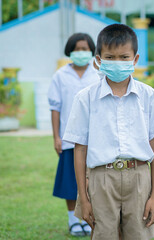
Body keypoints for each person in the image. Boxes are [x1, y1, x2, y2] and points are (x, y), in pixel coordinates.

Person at [63, 23, 154, 240]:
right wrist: (83, 198)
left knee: (139, 235)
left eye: (124, 57)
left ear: (135, 59)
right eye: (110, 57)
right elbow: (80, 149)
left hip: (139, 177)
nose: (117, 62)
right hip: (101, 178)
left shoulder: (149, 96)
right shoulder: (86, 98)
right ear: (98, 61)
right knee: (104, 235)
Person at [48, 32, 98, 236]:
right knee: (71, 181)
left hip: (96, 139)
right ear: (70, 50)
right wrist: (56, 137)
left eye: (85, 49)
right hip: (70, 139)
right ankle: (73, 221)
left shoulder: (97, 74)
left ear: (92, 51)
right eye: (77, 49)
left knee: (93, 181)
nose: (81, 52)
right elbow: (55, 107)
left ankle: (88, 220)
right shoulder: (60, 75)